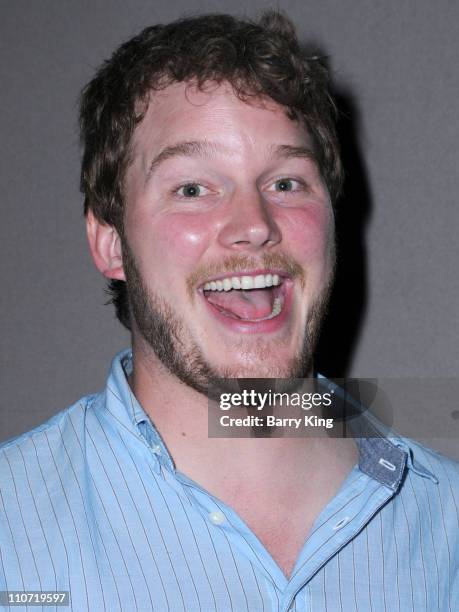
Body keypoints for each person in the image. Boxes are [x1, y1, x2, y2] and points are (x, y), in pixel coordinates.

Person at [0, 11, 457, 611]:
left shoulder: (446, 526)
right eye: (193, 189)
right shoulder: (11, 534)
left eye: (287, 183)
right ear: (110, 241)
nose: (254, 226)